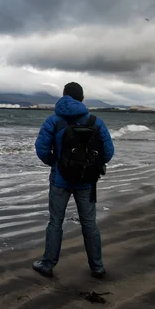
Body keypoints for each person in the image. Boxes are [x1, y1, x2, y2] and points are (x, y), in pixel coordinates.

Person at [33, 82, 115, 278]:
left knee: (55, 222)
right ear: (82, 99)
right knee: (89, 223)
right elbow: (109, 152)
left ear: (63, 96)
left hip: (60, 180)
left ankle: (48, 264)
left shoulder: (53, 120)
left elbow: (42, 149)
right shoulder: (96, 121)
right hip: (87, 181)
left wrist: (56, 163)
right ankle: (97, 267)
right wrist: (93, 165)